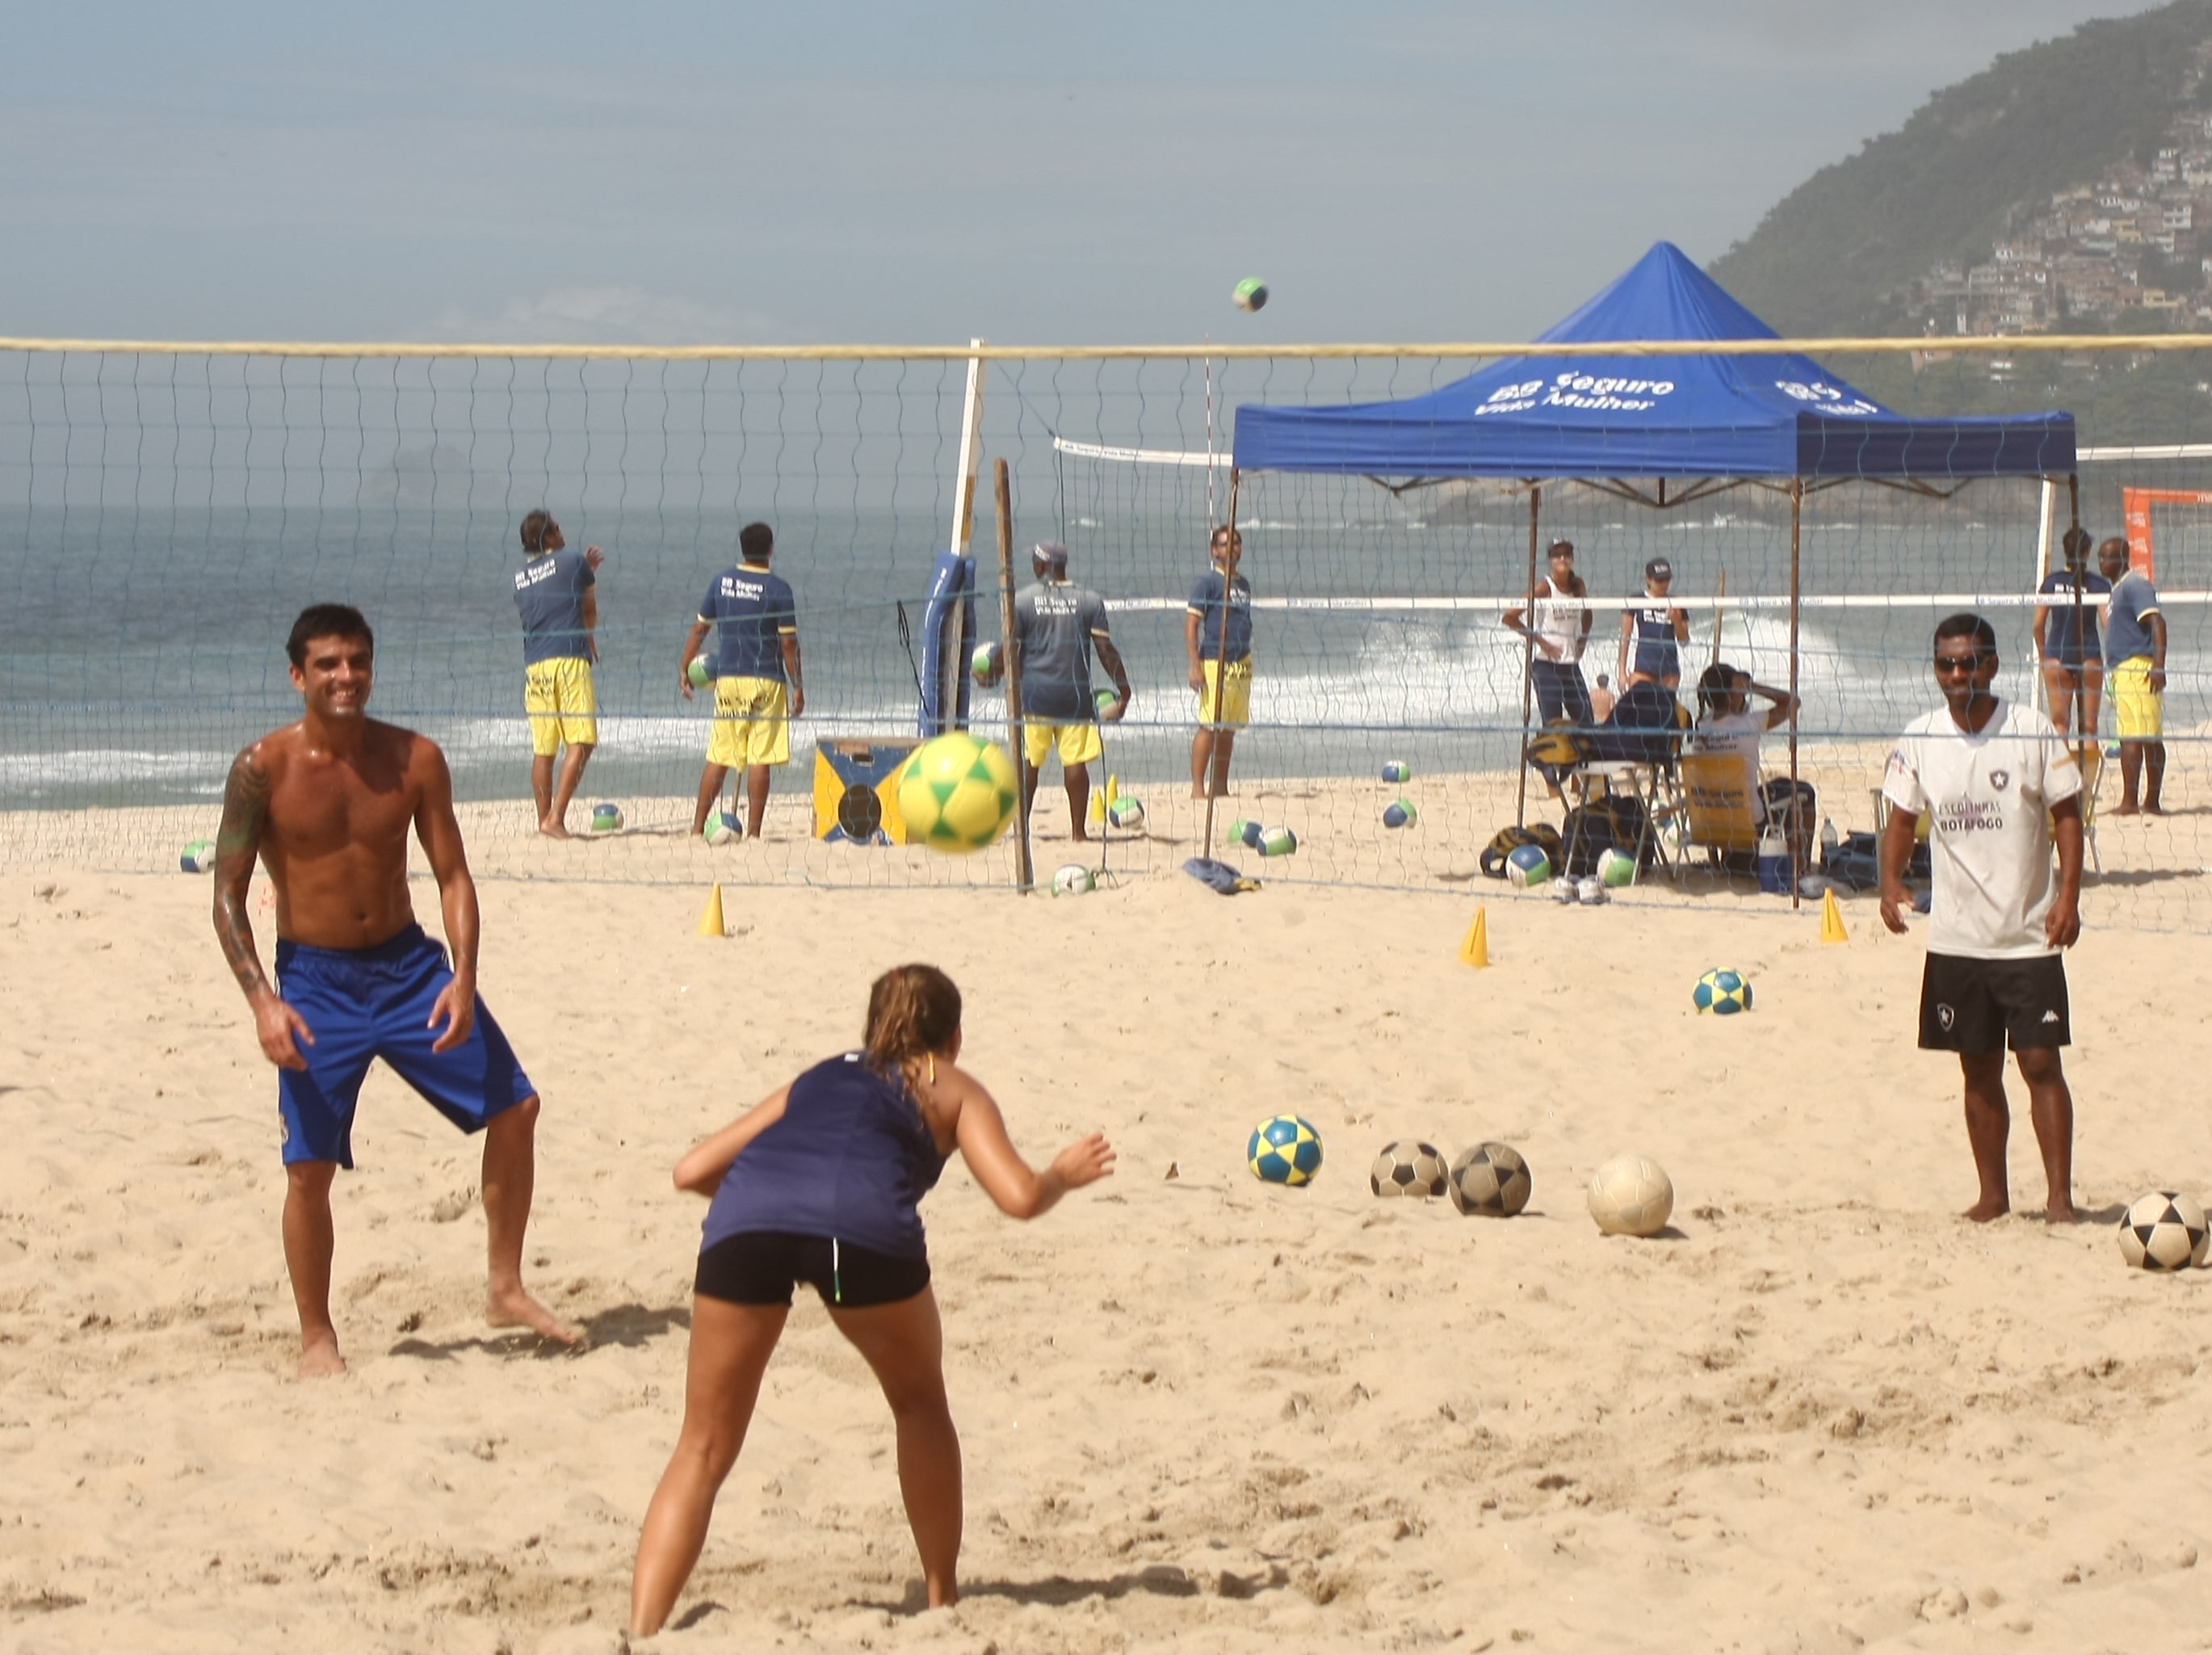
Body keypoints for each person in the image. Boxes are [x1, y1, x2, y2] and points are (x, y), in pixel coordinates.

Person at [628, 964, 1115, 1636]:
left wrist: (779, 1206)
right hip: (862, 1229)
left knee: (702, 1446)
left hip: (745, 1218)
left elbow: (691, 1171)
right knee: (919, 1404)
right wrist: (1060, 1174)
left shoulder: (822, 1075)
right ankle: (941, 1600)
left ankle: (641, 1630)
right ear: (954, 1037)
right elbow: (1020, 1197)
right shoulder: (955, 1086)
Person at [211, 603, 577, 1377]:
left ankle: (505, 1286)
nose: (346, 676)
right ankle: (318, 1336)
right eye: (329, 664)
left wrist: (465, 977)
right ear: (297, 675)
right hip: (316, 981)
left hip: (413, 970)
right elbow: (227, 895)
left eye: (358, 661)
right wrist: (262, 1002)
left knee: (518, 1108)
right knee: (308, 1169)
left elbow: (452, 874)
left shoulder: (415, 759)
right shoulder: (261, 769)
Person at [1879, 613, 2084, 1224]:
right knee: (1977, 1068)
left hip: (2026, 935)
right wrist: (1888, 883)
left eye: (1968, 662)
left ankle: (2059, 1200)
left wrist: (2067, 895)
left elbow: (2067, 816)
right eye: (1945, 663)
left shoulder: (2030, 729)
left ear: (1991, 665)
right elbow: (1897, 821)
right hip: (1957, 940)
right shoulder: (1919, 736)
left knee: (2041, 1063)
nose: (1956, 673)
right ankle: (1992, 1196)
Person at [984, 540, 1131, 841]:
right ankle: (1078, 833)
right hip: (1074, 695)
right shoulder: (1088, 600)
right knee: (1074, 763)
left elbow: (1011, 648)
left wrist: (992, 673)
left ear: (1042, 565)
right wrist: (1123, 688)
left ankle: (1021, 830)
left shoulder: (1023, 600)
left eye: (1035, 562)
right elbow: (1105, 649)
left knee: (1029, 762)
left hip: (1034, 694)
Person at [682, 523, 803, 839]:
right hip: (766, 678)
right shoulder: (778, 589)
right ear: (771, 548)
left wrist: (684, 667)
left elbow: (700, 629)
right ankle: (753, 834)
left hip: (730, 678)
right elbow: (789, 644)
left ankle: (696, 829)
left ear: (742, 548)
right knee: (760, 757)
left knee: (720, 754)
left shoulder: (722, 582)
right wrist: (799, 684)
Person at [511, 510, 605, 838]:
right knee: (582, 741)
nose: (561, 530)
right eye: (556, 527)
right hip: (568, 658)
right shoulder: (573, 561)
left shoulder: (520, 576)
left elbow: (549, 601)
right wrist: (590, 637)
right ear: (548, 536)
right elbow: (588, 610)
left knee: (544, 749)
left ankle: (544, 820)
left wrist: (583, 572)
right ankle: (556, 818)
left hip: (535, 664)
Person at [1690, 662, 1811, 861]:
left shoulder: (1700, 730)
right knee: (1804, 792)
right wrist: (1753, 687)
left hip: (1714, 822)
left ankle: (1719, 859)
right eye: (1741, 692)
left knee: (1763, 786)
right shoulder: (1748, 724)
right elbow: (1793, 702)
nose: (1744, 697)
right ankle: (1799, 864)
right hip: (1751, 821)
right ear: (1731, 695)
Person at [1503, 539, 1593, 797]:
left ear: (1573, 558)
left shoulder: (1578, 586)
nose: (1562, 560)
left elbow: (1588, 613)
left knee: (1584, 721)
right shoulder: (1545, 587)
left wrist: (1583, 638)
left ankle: (1576, 778)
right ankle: (1552, 783)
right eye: (1557, 556)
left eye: (1566, 555)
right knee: (1551, 724)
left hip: (1570, 665)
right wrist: (1542, 641)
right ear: (1551, 560)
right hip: (1546, 665)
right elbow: (1510, 617)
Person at [2097, 534, 2167, 815]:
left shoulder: (2135, 586)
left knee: (2139, 737)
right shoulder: (2117, 590)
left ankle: (2139, 801)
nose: (2102, 563)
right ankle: (2144, 801)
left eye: (2107, 557)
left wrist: (2159, 665)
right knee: (2135, 735)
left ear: (2121, 558)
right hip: (2122, 670)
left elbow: (2157, 622)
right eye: (2100, 557)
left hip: (2139, 667)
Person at [1186, 525, 1253, 799]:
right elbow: (1191, 625)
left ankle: (1221, 786)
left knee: (1229, 729)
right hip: (1214, 661)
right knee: (1210, 725)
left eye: (1235, 543)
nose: (1231, 548)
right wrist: (1195, 665)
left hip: (1242, 663)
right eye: (1225, 544)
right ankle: (1198, 788)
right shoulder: (1209, 582)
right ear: (1215, 551)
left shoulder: (1243, 584)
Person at [2032, 526, 2108, 746]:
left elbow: (2037, 625)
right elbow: (2107, 625)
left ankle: (2062, 779)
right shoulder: (2098, 584)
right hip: (2089, 655)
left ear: (2065, 550)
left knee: (2060, 725)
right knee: (2089, 727)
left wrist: (2044, 654)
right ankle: (2089, 780)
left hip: (2057, 655)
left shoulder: (2051, 582)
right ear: (2088, 552)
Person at [1617, 557, 1689, 692]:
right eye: (1659, 580)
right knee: (1642, 710)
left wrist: (1677, 621)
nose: (1664, 584)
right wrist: (1622, 673)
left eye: (1667, 579)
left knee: (1665, 709)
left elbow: (1684, 641)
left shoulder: (1676, 604)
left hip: (1669, 668)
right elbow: (1625, 637)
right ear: (1649, 579)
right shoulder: (1637, 600)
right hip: (1642, 666)